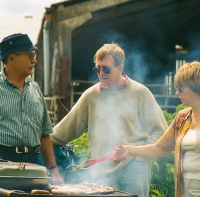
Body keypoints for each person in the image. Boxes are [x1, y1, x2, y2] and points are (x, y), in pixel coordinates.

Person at [50, 43, 168, 196]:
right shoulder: (90, 95)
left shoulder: (141, 92)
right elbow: (64, 131)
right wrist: (39, 140)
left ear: (120, 68)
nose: (100, 73)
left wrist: (141, 155)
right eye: (97, 69)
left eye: (105, 68)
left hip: (134, 171)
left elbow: (161, 133)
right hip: (101, 172)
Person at [112, 61, 200, 197]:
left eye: (181, 88)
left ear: (196, 87)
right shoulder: (182, 118)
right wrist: (128, 149)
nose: (177, 93)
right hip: (184, 189)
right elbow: (158, 148)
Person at [0, 33, 64, 185]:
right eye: (29, 56)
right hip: (3, 163)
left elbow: (44, 133)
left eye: (34, 56)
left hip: (33, 163)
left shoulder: (35, 89)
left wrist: (54, 169)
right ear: (11, 58)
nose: (34, 60)